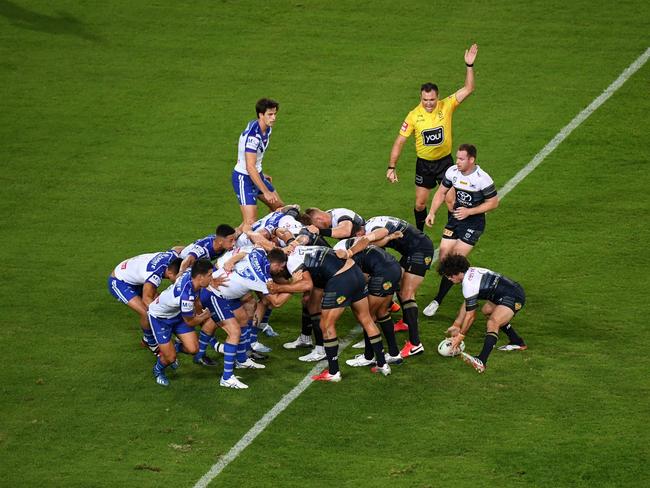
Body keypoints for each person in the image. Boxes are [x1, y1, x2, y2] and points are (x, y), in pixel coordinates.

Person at [386, 44, 478, 231]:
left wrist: (469, 66)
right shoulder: (413, 115)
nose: (428, 103)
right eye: (425, 100)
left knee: (451, 199)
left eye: (432, 100)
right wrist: (391, 166)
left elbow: (468, 88)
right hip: (424, 164)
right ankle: (419, 234)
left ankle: (456, 231)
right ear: (421, 98)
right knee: (420, 204)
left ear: (438, 97)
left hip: (445, 162)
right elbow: (400, 141)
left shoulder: (447, 105)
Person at [267, 246, 391, 381]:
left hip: (341, 279)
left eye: (271, 266)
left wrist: (279, 288)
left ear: (281, 263)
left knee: (326, 325)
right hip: (355, 273)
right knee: (366, 319)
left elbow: (307, 284)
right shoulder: (299, 251)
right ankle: (382, 364)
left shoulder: (292, 263)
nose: (271, 270)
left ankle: (333, 372)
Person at [423, 144, 498, 316]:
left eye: (462, 159)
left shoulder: (482, 178)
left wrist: (469, 211)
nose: (458, 162)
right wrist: (432, 212)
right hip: (456, 219)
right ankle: (471, 276)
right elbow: (441, 192)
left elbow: (493, 203)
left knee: (455, 260)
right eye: (457, 158)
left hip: (474, 223)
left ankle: (437, 300)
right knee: (444, 257)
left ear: (472, 160)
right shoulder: (452, 172)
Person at [437, 254, 527, 374]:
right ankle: (517, 341)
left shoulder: (468, 285)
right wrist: (457, 324)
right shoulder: (470, 272)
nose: (449, 279)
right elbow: (467, 302)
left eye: (449, 276)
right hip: (503, 293)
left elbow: (470, 316)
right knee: (487, 311)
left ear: (457, 272)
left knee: (493, 322)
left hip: (514, 296)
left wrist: (460, 336)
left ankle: (482, 360)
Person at [362, 216, 434, 357]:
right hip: (412, 249)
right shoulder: (371, 223)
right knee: (396, 281)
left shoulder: (372, 230)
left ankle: (415, 344)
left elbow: (379, 240)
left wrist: (369, 241)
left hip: (420, 250)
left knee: (407, 294)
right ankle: (406, 322)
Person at [332, 237, 403, 366]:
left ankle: (368, 357)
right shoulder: (353, 246)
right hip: (394, 268)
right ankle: (394, 354)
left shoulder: (341, 255)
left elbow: (357, 278)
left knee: (367, 316)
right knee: (382, 313)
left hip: (382, 273)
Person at [146, 259, 215, 386]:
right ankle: (158, 370)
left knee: (194, 349)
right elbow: (190, 322)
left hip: (177, 314)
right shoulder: (186, 296)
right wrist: (205, 315)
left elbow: (184, 271)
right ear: (200, 277)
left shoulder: (191, 275)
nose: (212, 278)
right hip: (160, 319)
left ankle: (175, 347)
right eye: (210, 275)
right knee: (170, 358)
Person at [108, 249, 183, 354]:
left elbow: (178, 248)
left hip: (134, 274)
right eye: (178, 278)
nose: (179, 281)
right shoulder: (154, 275)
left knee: (161, 302)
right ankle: (151, 343)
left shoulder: (172, 256)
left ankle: (149, 338)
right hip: (119, 282)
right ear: (170, 272)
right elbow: (146, 298)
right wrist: (160, 313)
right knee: (147, 312)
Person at [232, 98, 284, 225]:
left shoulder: (266, 128)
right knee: (250, 222)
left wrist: (261, 174)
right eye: (270, 114)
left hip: (256, 174)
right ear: (261, 115)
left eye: (275, 114)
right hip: (244, 178)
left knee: (280, 208)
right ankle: (228, 242)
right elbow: (250, 167)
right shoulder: (253, 137)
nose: (274, 118)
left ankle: (269, 230)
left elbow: (254, 160)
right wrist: (265, 192)